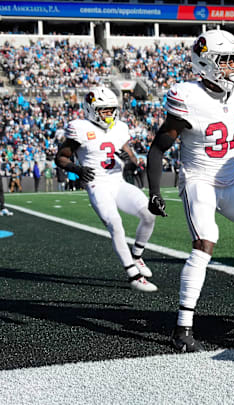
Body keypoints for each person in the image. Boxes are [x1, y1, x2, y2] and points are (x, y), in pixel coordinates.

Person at [145, 30, 234, 353]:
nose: (232, 68)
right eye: (225, 61)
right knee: (204, 243)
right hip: (198, 180)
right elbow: (157, 149)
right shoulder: (188, 96)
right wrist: (154, 192)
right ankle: (182, 327)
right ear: (204, 61)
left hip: (228, 182)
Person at [55, 86, 158, 293]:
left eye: (111, 109)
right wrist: (76, 168)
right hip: (97, 184)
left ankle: (137, 256)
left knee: (149, 214)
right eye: (104, 110)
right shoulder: (80, 128)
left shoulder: (119, 128)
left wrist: (131, 162)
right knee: (115, 223)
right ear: (92, 109)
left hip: (118, 182)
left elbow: (132, 157)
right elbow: (61, 157)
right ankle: (133, 275)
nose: (109, 114)